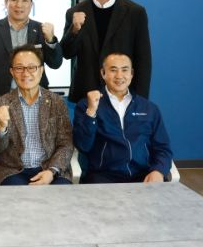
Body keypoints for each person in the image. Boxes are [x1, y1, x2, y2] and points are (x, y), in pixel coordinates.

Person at [60, 0, 151, 104]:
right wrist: (74, 30)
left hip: (123, 94)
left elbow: (143, 60)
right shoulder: (75, 12)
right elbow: (66, 53)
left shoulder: (135, 12)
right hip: (86, 94)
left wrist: (140, 100)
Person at [73, 52, 172, 183]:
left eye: (124, 70)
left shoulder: (149, 108)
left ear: (131, 74)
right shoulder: (86, 105)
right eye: (113, 70)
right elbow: (83, 146)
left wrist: (158, 171)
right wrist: (91, 112)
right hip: (103, 176)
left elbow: (163, 148)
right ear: (103, 73)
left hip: (143, 175)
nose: (119, 76)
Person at [0, 0, 63, 124]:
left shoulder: (40, 29)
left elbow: (55, 63)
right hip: (1, 97)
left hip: (36, 98)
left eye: (24, 0)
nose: (19, 5)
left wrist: (51, 40)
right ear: (6, 2)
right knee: (2, 136)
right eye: (14, 0)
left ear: (31, 4)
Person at [0, 44, 73, 185]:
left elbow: (66, 144)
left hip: (50, 168)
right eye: (19, 68)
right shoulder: (0, 104)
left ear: (41, 70)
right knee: (15, 194)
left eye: (32, 67)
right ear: (12, 72)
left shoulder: (57, 102)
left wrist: (52, 171)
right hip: (13, 171)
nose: (26, 73)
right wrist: (2, 127)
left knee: (61, 192)